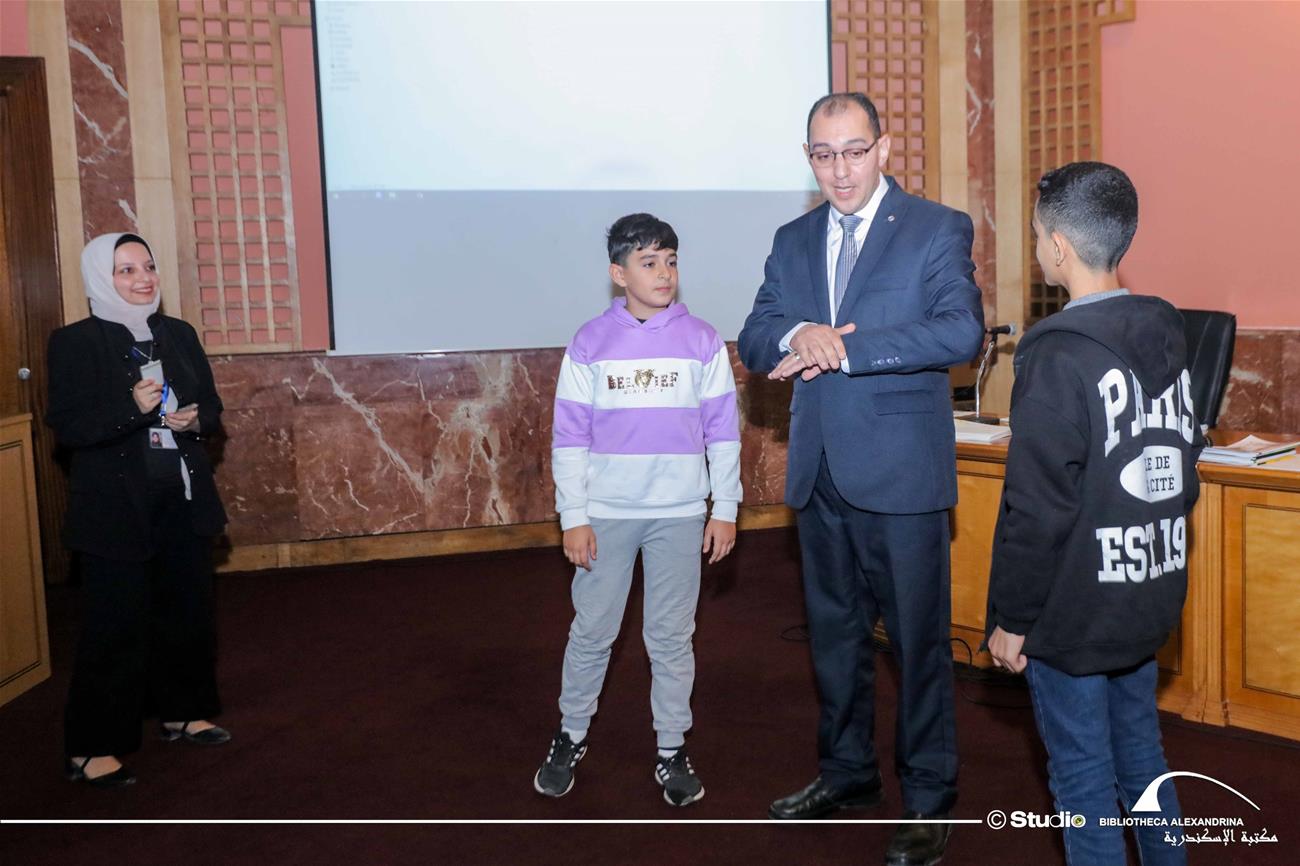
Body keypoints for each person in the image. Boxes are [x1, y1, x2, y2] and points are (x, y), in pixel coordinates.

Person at [737, 92, 983, 865]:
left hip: (902, 474)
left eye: (853, 151)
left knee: (917, 646)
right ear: (808, 159)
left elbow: (961, 330)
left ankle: (930, 798)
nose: (839, 170)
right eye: (823, 155)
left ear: (883, 148)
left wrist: (848, 347)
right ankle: (847, 774)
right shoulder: (793, 239)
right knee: (835, 640)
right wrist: (796, 331)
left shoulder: (936, 227)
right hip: (819, 472)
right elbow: (756, 335)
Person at [985, 162, 1201, 865]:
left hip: (1072, 611)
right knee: (1142, 759)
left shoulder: (1056, 357)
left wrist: (1013, 616)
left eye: (1035, 235)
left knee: (1082, 782)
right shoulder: (1167, 336)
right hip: (1145, 591)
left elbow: (1036, 508)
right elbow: (1181, 477)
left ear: (1058, 247)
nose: (1037, 247)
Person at [533, 213, 742, 807]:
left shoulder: (702, 340)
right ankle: (571, 736)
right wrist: (574, 517)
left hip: (680, 513)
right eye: (648, 262)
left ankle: (672, 748)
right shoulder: (589, 343)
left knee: (671, 637)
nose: (664, 273)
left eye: (670, 260)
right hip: (605, 515)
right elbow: (569, 438)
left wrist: (724, 507)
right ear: (618, 274)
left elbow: (723, 433)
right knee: (593, 632)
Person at [47, 232, 231, 787]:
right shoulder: (74, 342)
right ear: (101, 277)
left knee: (187, 613)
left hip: (182, 496)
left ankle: (183, 712)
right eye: (125, 269)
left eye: (147, 266)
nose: (143, 278)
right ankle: (91, 746)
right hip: (115, 507)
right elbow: (71, 427)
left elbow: (212, 406)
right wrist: (130, 408)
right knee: (115, 626)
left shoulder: (178, 333)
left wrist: (195, 420)